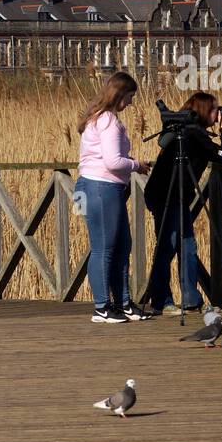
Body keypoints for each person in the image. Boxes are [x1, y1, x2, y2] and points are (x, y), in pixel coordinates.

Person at [142, 91, 222, 316]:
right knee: (168, 246)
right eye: (216, 110)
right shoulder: (193, 135)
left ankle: (191, 299)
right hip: (167, 195)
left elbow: (217, 151)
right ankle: (162, 301)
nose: (219, 114)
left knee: (187, 247)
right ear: (205, 111)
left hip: (171, 195)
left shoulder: (191, 133)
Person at [76, 72, 151, 323]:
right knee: (104, 249)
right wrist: (136, 164)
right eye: (130, 96)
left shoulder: (95, 118)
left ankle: (123, 303)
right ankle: (102, 307)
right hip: (101, 188)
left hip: (90, 187)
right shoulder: (108, 120)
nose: (131, 102)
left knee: (121, 246)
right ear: (120, 95)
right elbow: (112, 161)